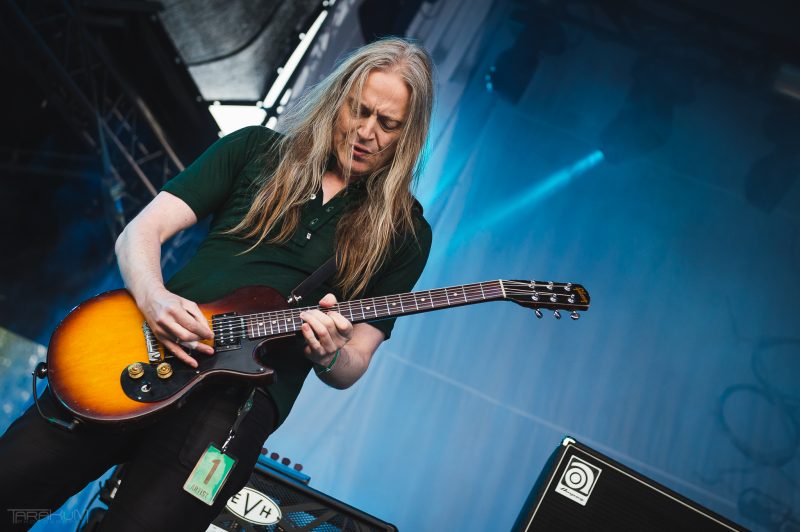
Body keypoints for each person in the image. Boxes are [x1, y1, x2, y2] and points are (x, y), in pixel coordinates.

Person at [0, 37, 433, 531]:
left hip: (233, 410)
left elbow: (354, 361)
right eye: (359, 110)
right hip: (144, 348)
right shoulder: (255, 149)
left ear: (408, 135)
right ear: (338, 100)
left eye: (387, 124)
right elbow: (141, 232)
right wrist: (155, 299)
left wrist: (331, 354)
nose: (366, 132)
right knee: (14, 492)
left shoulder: (405, 235)